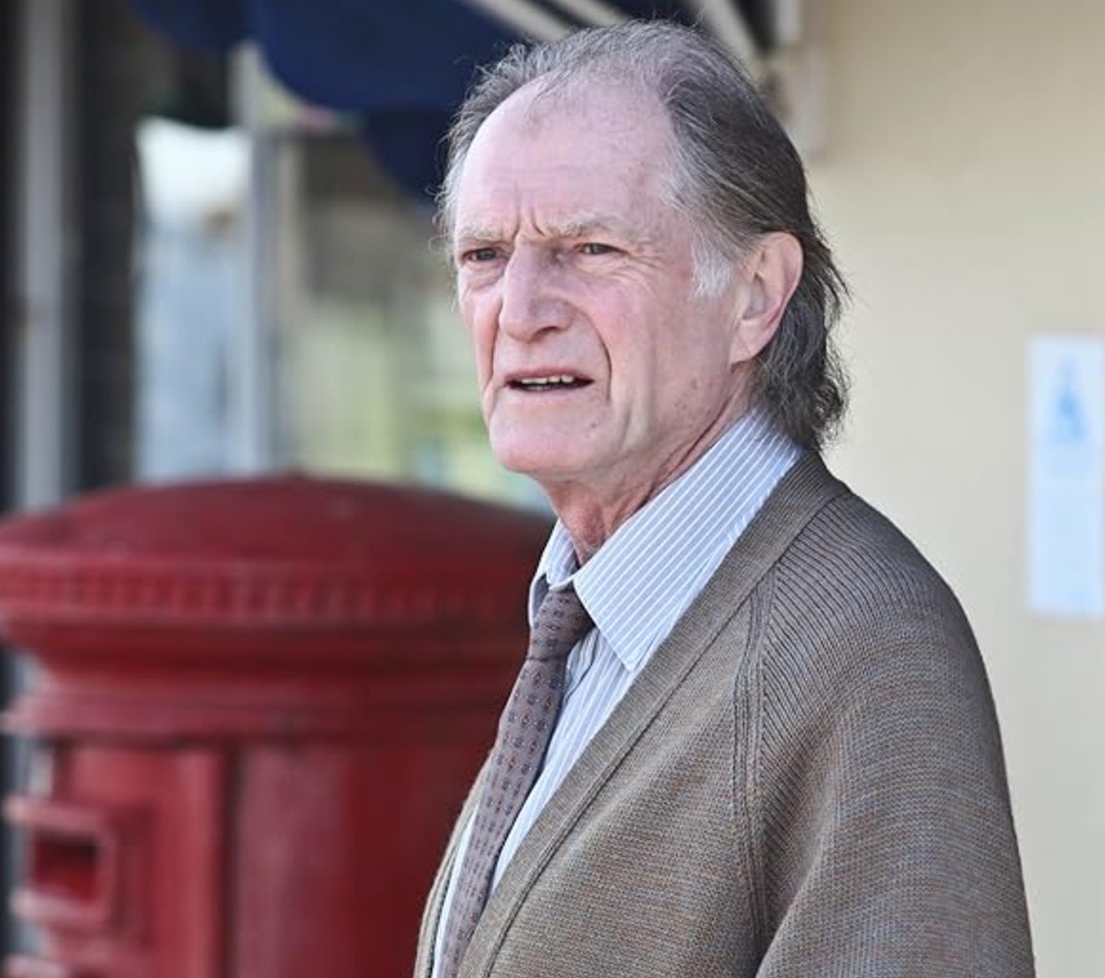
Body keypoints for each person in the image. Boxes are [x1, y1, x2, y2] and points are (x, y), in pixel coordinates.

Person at [415, 20, 1034, 978]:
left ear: (755, 295)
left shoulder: (866, 643)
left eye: (589, 248)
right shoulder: (588, 608)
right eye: (484, 255)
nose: (522, 310)